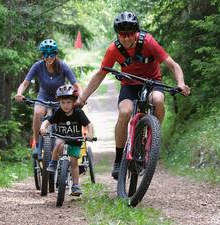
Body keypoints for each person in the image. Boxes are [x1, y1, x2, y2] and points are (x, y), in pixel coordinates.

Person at [76, 12, 191, 180]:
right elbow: (100, 75)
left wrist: (180, 83)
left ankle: (154, 137)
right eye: (122, 34)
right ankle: (118, 159)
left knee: (158, 100)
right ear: (117, 34)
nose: (127, 38)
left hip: (152, 82)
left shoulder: (149, 42)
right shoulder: (113, 49)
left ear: (136, 32)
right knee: (124, 112)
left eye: (130, 34)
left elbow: (172, 65)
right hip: (129, 84)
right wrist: (81, 98)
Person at [15, 39, 81, 159]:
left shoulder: (63, 66)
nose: (49, 57)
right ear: (42, 55)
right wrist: (19, 93)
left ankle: (64, 148)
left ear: (56, 54)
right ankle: (37, 144)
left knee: (64, 119)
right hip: (43, 95)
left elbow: (76, 84)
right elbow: (25, 83)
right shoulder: (37, 66)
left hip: (60, 97)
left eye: (51, 54)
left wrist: (80, 97)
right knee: (38, 113)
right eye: (45, 54)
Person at [40, 84, 94, 196]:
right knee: (58, 143)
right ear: (59, 103)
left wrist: (89, 134)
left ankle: (75, 186)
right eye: (62, 102)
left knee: (74, 163)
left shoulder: (78, 113)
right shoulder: (59, 112)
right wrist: (43, 127)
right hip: (62, 137)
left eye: (68, 102)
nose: (65, 105)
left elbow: (89, 125)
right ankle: (53, 163)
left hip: (75, 139)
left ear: (74, 102)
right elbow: (48, 121)